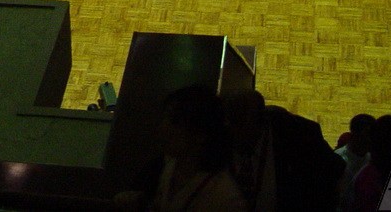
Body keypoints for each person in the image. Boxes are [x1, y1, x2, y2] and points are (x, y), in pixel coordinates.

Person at [121, 84, 247, 212]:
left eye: (175, 121)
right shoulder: (169, 167)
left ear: (200, 133)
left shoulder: (225, 199)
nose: (163, 128)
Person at [222, 89, 345, 212]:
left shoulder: (298, 136)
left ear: (261, 122)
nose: (233, 131)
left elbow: (335, 170)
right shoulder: (220, 138)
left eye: (240, 123)